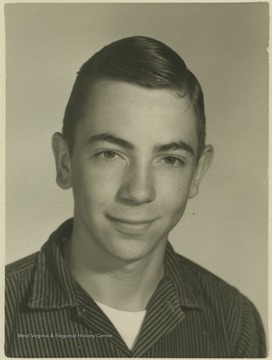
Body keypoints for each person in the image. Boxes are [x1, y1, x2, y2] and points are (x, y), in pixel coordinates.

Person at [5, 36, 266, 358]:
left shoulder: (233, 320)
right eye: (110, 154)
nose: (139, 192)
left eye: (170, 159)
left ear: (197, 172)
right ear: (65, 162)